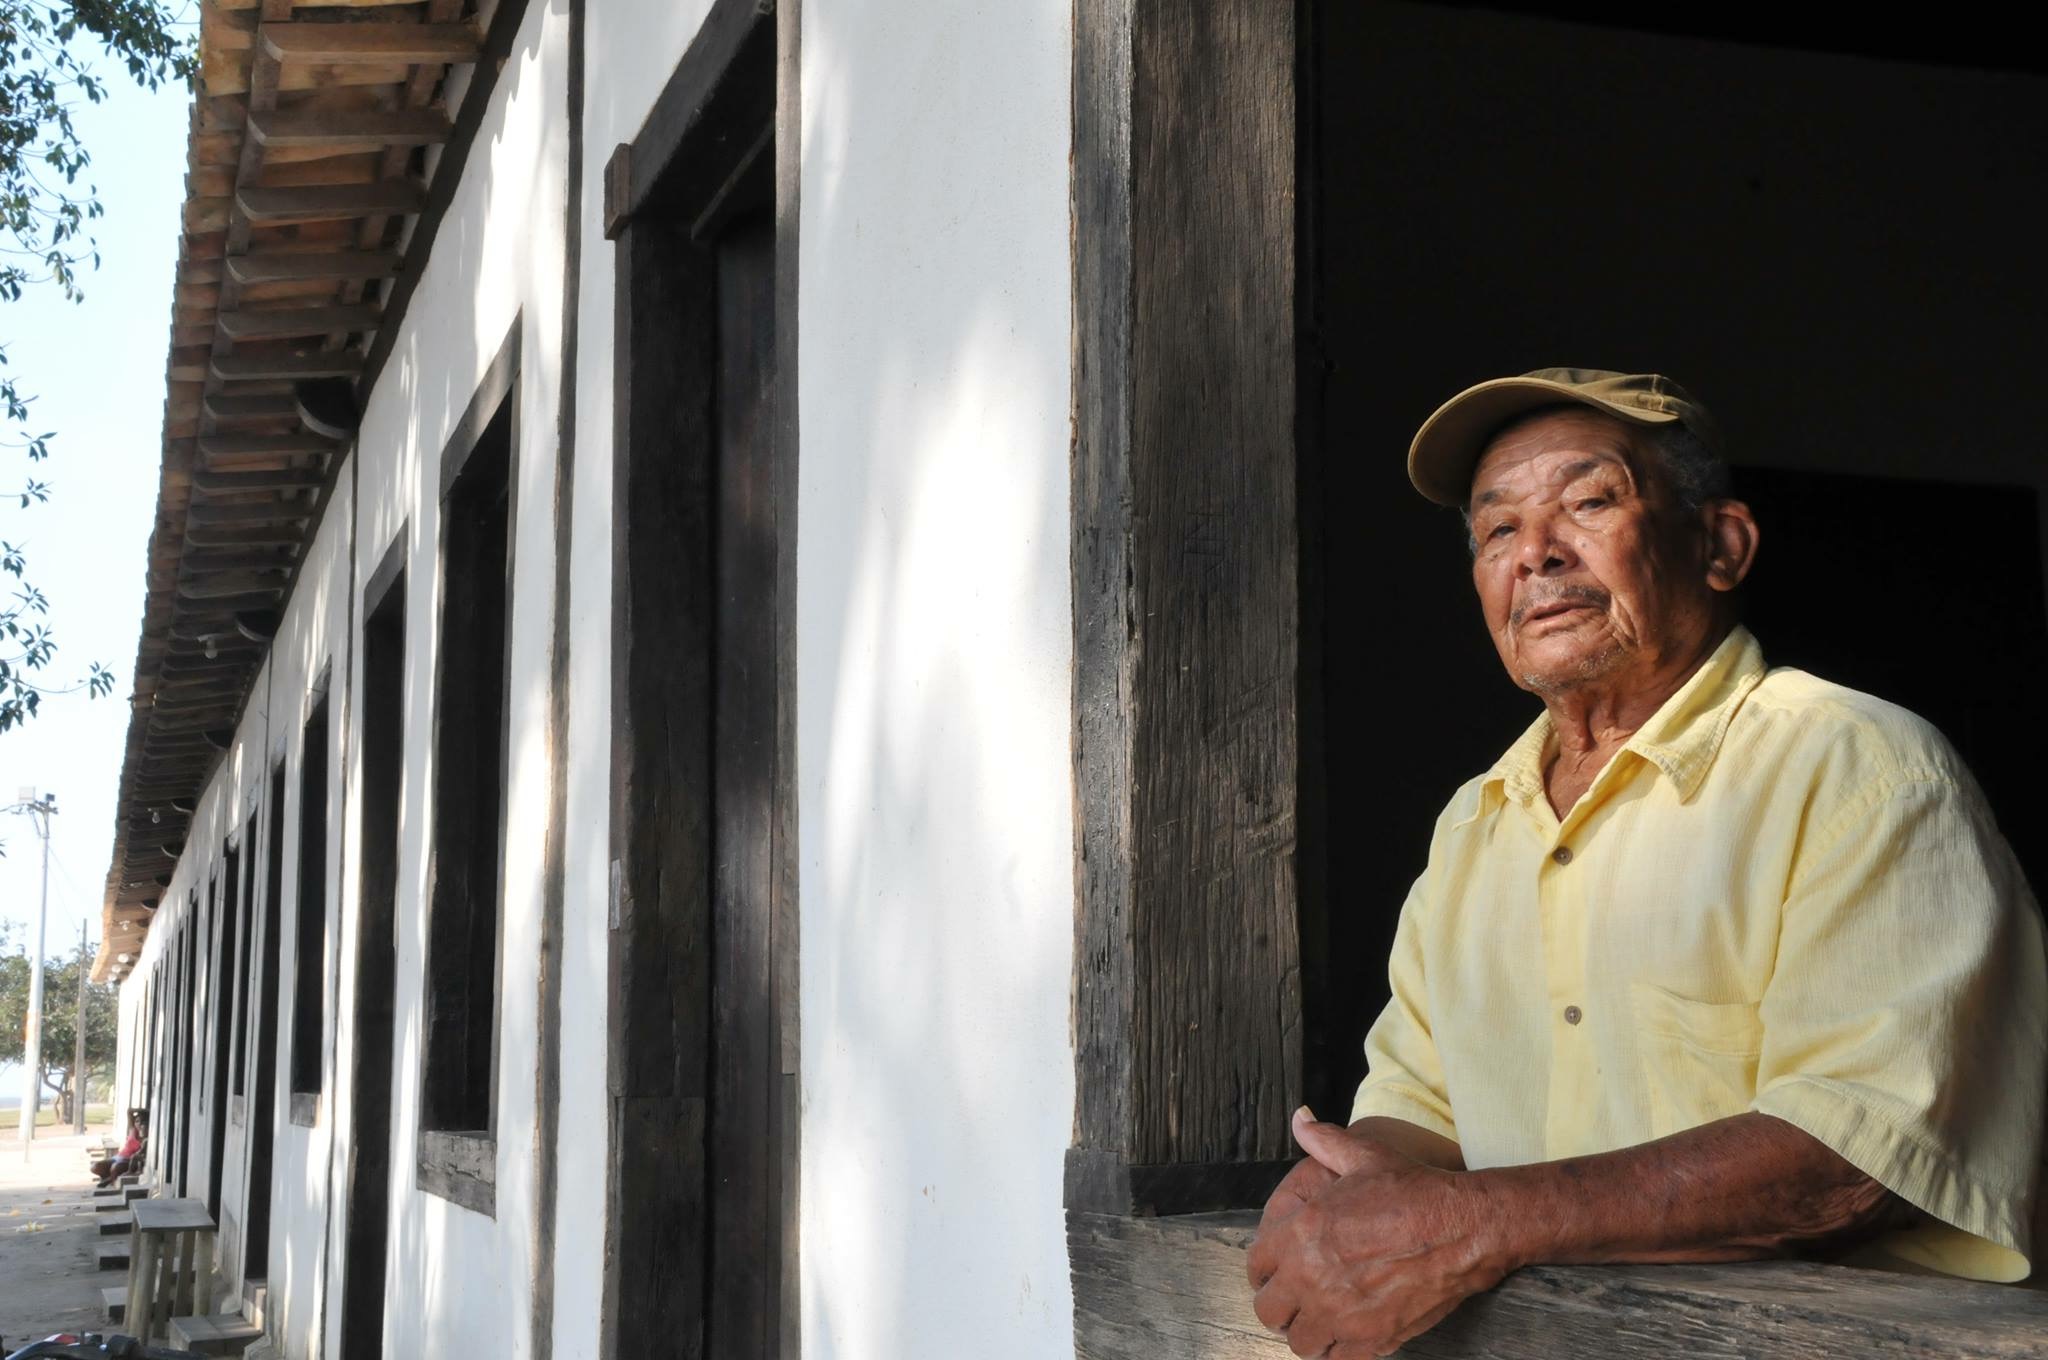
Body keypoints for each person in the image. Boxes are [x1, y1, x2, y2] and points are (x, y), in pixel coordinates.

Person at [1246, 369, 2047, 1358]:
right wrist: (1335, 1194)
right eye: (1497, 529)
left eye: (1588, 502)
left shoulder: (1856, 766)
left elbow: (1854, 1160)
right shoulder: (1475, 824)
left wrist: (1476, 1223)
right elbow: (1418, 1112)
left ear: (1719, 546)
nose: (1535, 552)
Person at [92, 1109, 146, 1188]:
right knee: (95, 1167)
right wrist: (144, 1111)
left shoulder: (145, 1136)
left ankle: (111, 1180)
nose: (139, 1124)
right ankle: (109, 1177)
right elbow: (129, 1111)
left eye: (142, 1122)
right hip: (119, 1156)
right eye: (137, 1121)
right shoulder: (133, 1130)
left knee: (115, 1167)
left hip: (129, 1161)